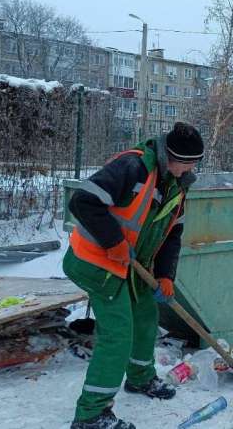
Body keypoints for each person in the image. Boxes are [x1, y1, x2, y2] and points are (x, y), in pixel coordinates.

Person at [64, 122, 204, 429]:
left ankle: (140, 378)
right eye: (189, 163)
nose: (191, 170)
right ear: (173, 157)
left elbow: (172, 234)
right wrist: (113, 241)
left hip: (131, 265)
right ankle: (91, 414)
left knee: (145, 316)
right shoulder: (133, 167)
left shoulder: (177, 186)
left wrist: (165, 275)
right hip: (96, 262)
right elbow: (82, 201)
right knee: (118, 334)